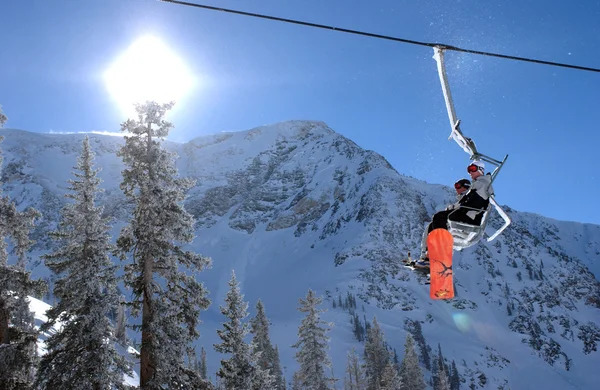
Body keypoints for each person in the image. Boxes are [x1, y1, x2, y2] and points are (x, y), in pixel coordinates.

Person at [416, 161, 494, 265]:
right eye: (469, 169)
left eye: (473, 169)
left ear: (481, 170)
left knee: (440, 217)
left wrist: (461, 204)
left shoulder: (483, 183)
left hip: (470, 217)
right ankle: (428, 254)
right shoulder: (479, 183)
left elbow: (476, 201)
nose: (470, 172)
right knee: (433, 224)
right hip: (467, 214)